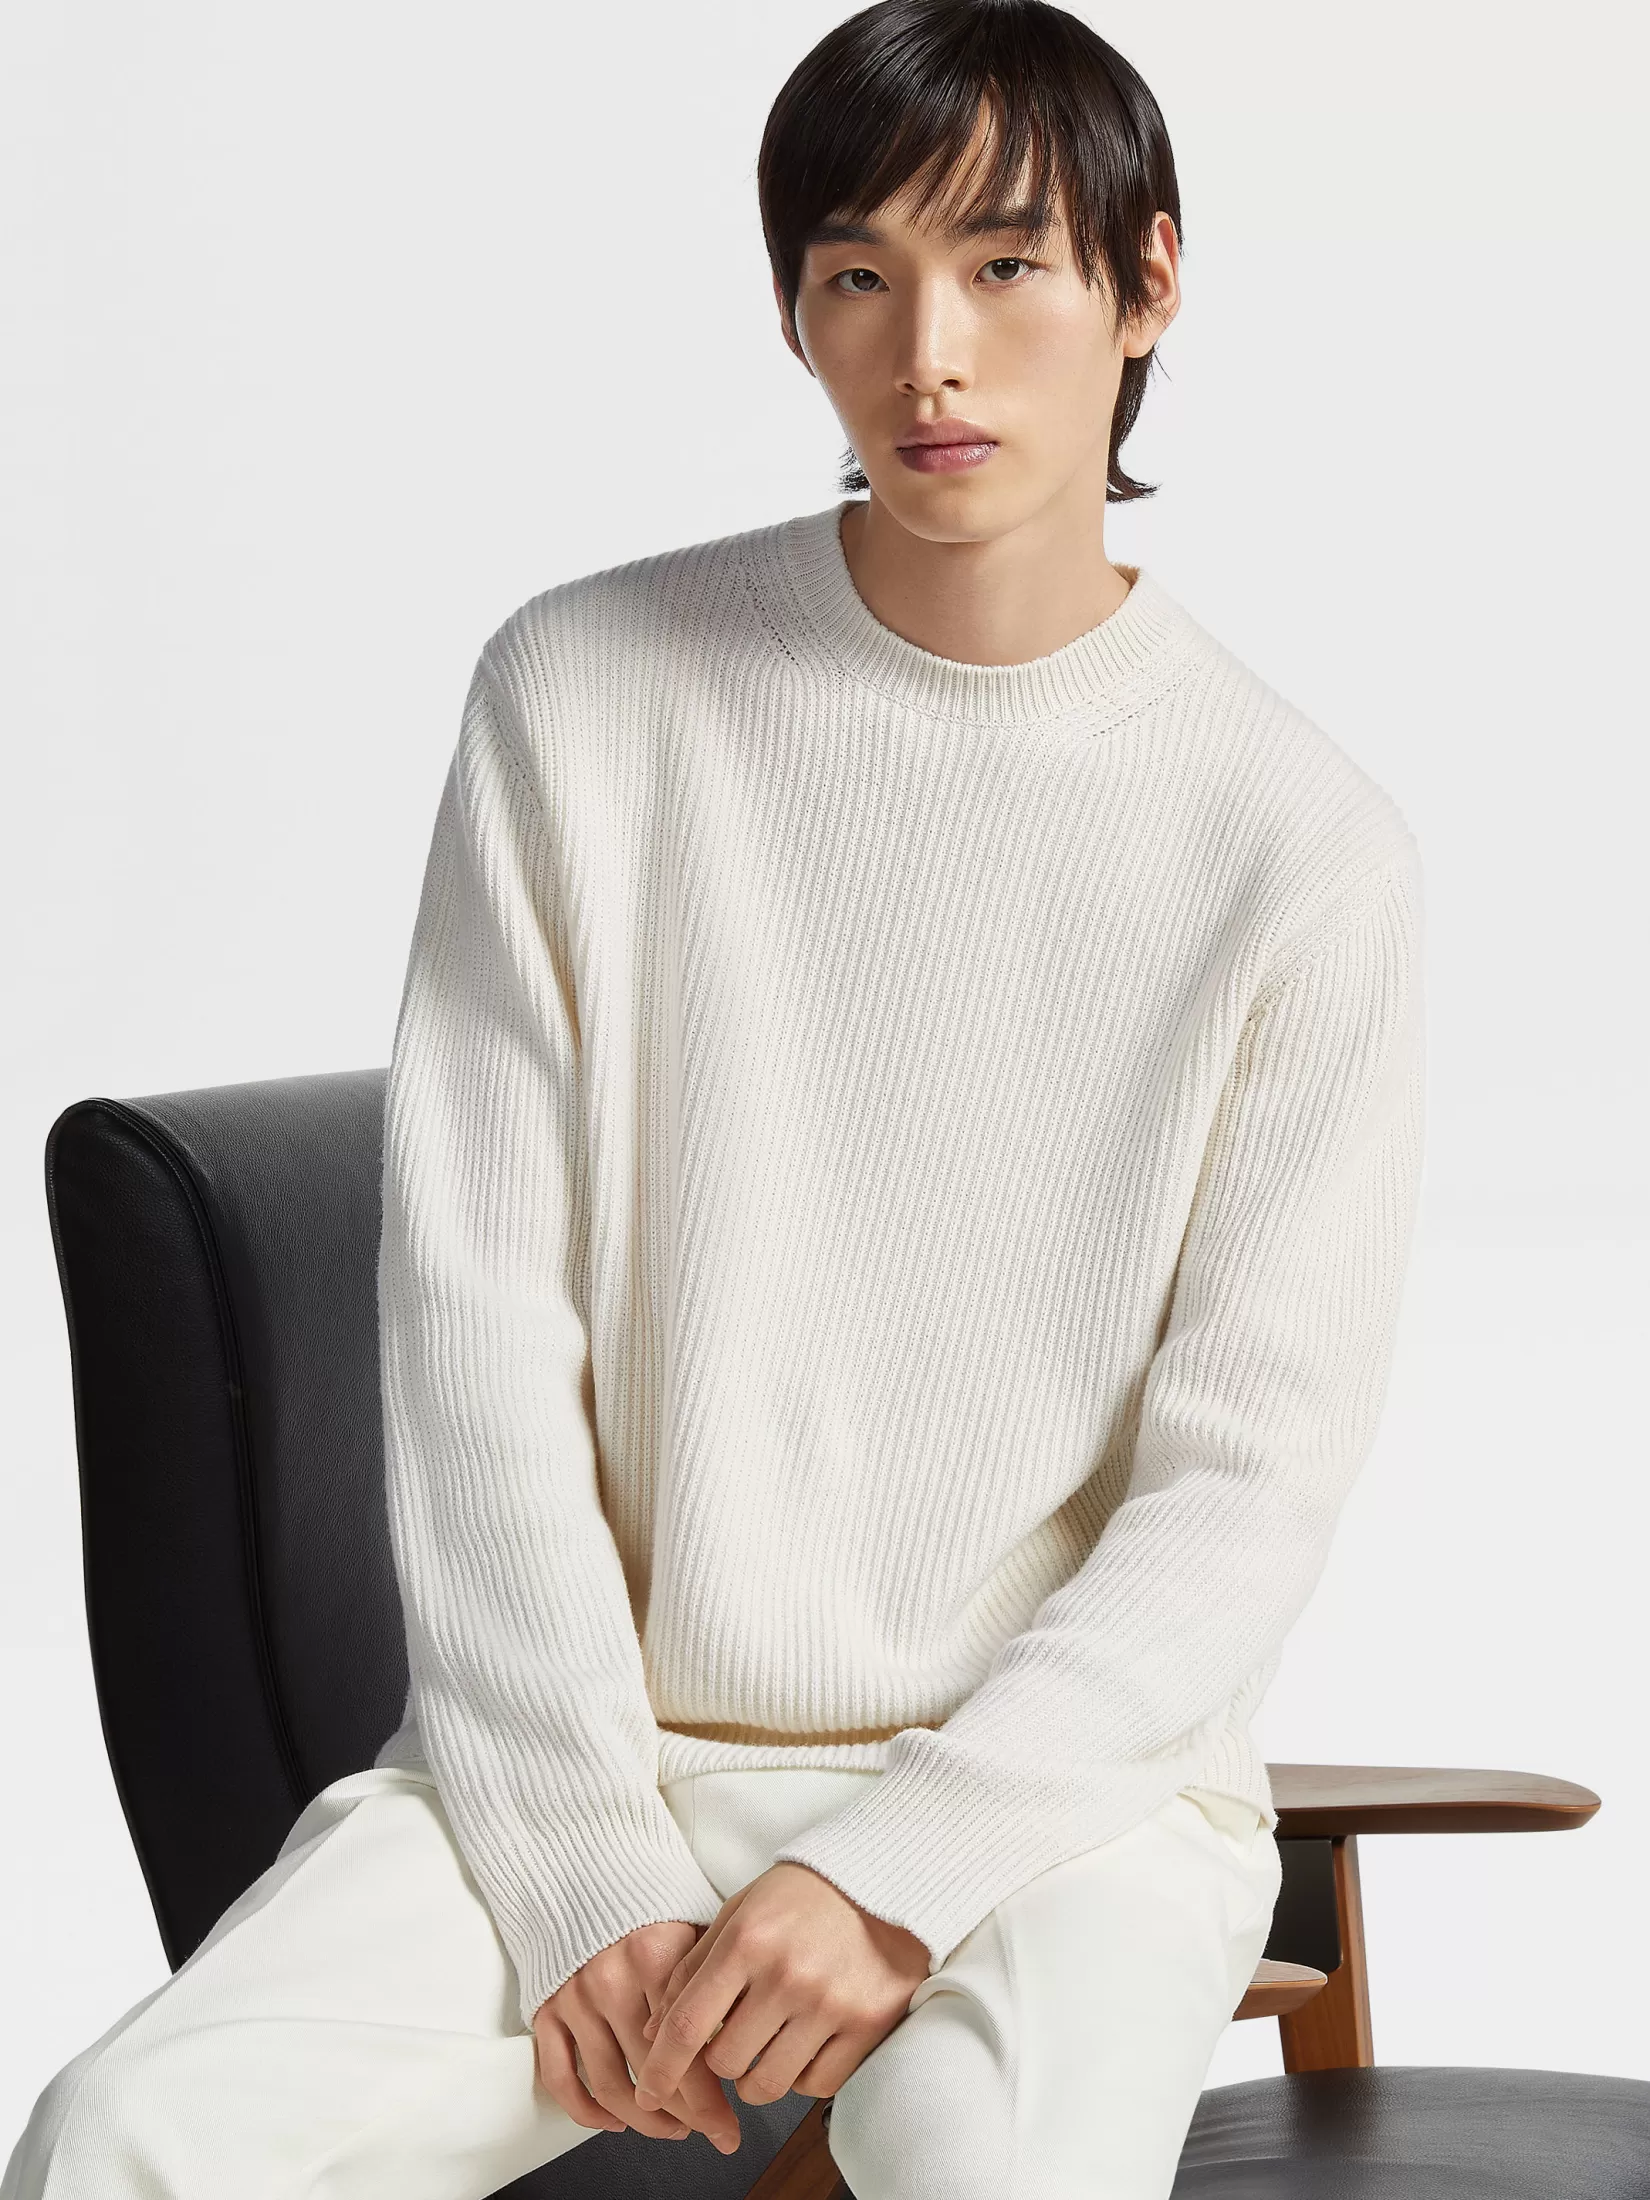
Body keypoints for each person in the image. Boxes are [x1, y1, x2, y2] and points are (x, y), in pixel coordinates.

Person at [3, 2, 1427, 2195]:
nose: (928, 353)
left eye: (1005, 266)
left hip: (1068, 1797)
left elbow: (1243, 1491)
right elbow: (477, 1339)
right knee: (130, 2138)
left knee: (997, 2167)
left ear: (1147, 281)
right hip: (592, 1757)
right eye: (860, 275)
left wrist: (895, 1872)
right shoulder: (582, 697)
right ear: (793, 310)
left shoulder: (1295, 844)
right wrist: (583, 1861)